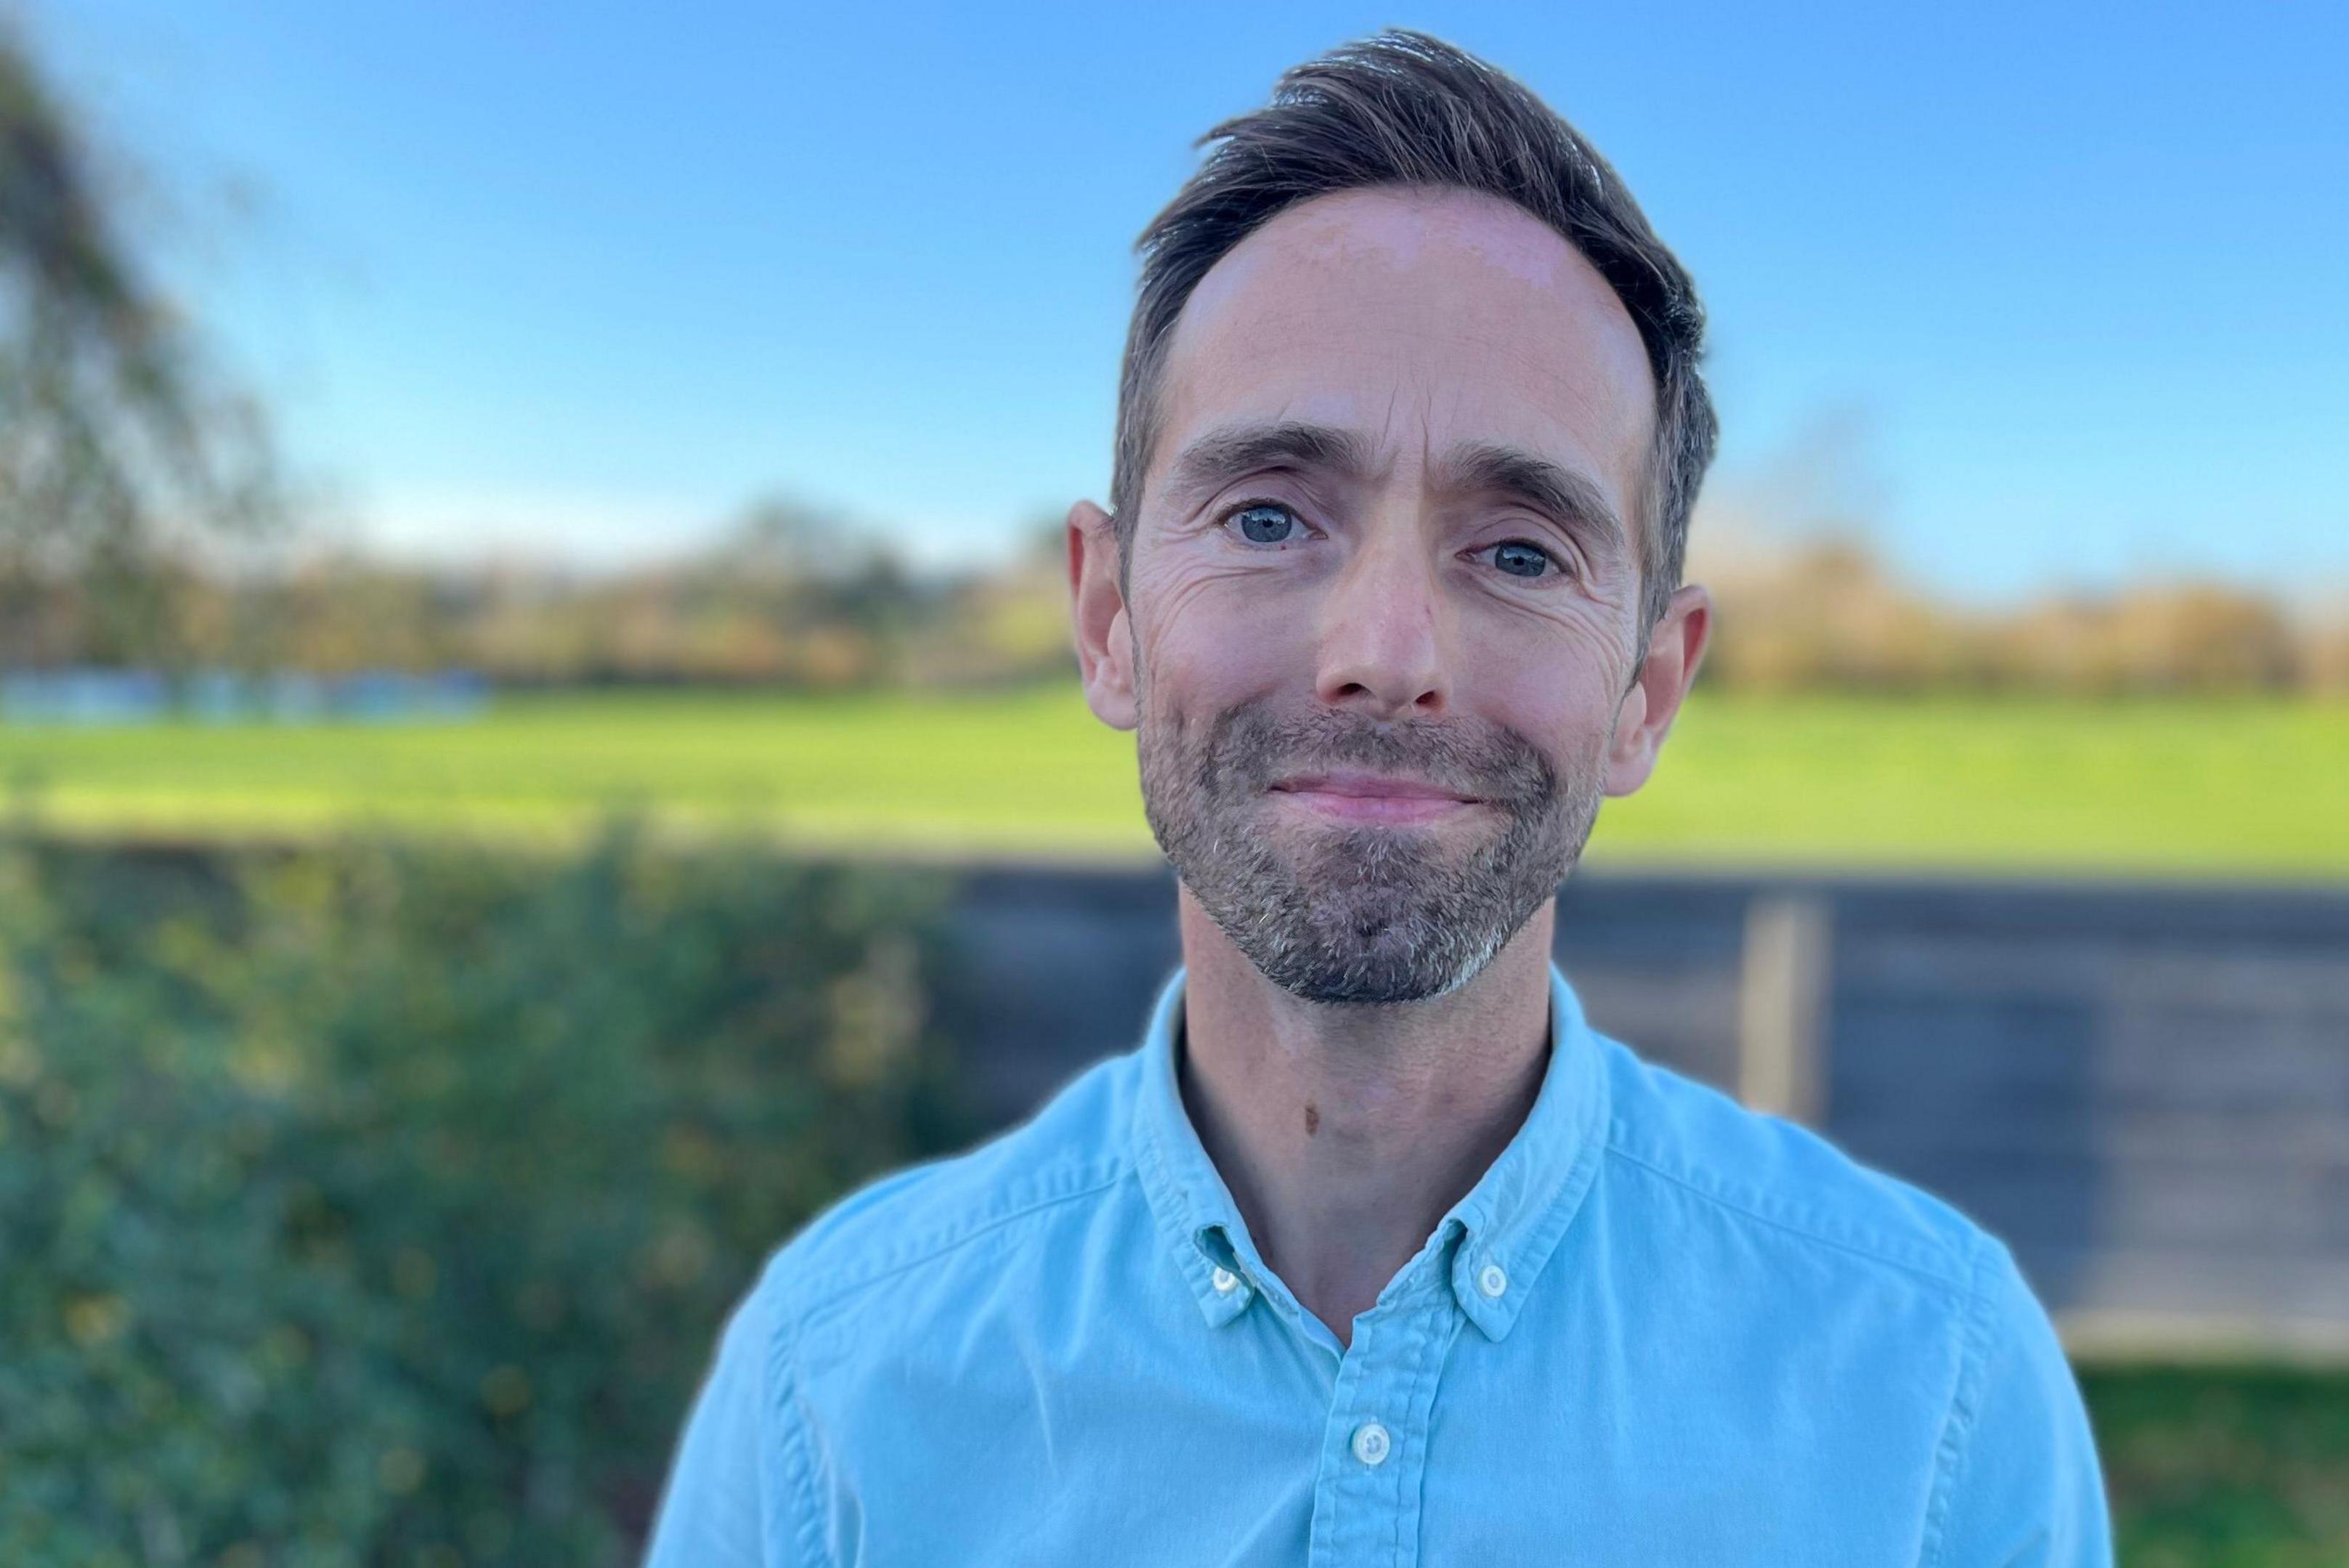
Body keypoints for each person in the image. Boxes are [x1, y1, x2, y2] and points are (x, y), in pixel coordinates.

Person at [644, 28, 2109, 1566]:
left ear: (1649, 689)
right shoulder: (835, 1387)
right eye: (1268, 517)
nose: (1386, 655)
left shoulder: (1933, 1397)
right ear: (1108, 617)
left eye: (1522, 550)